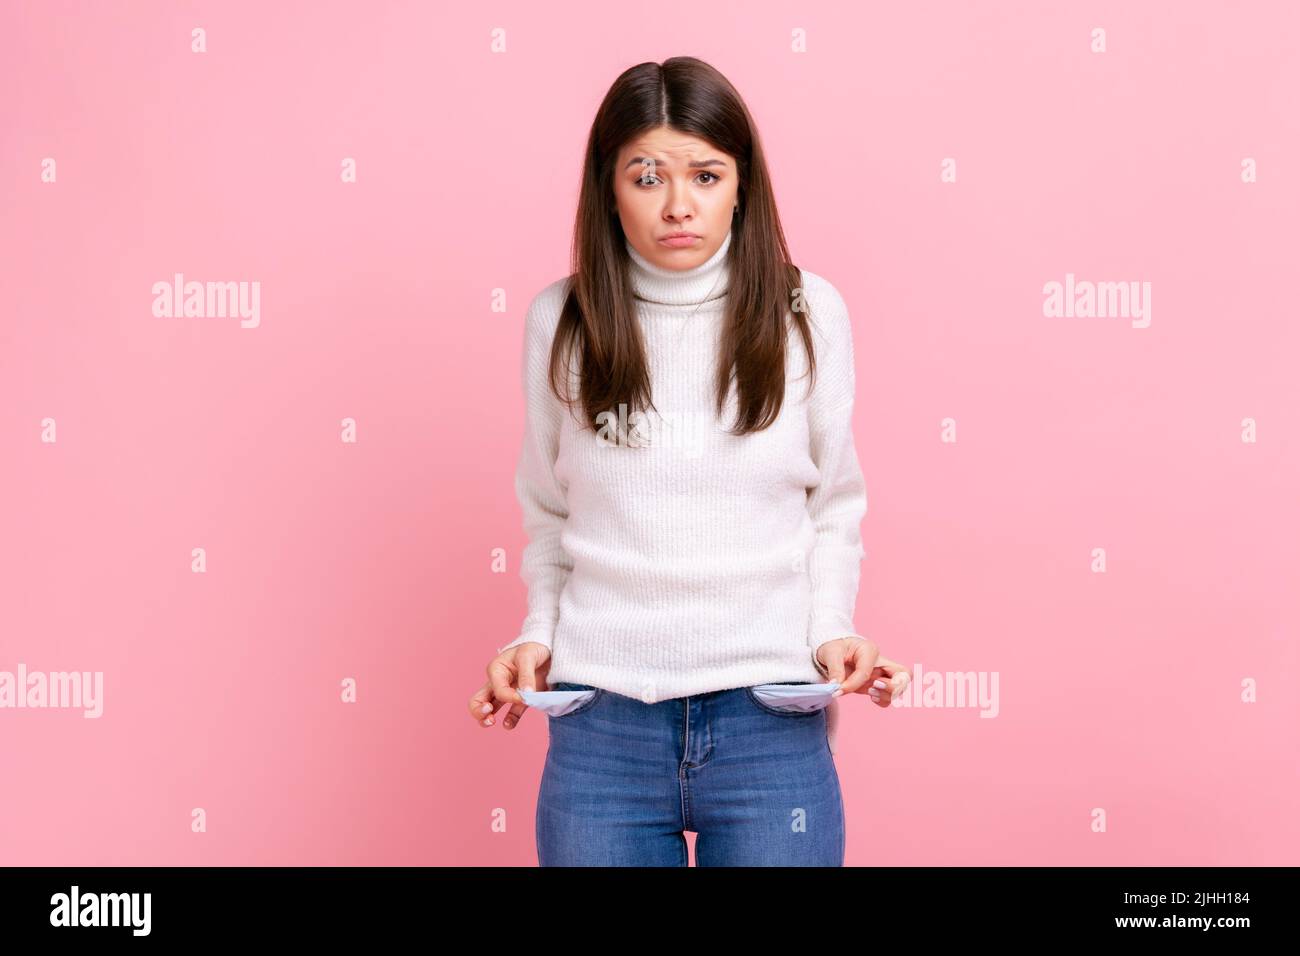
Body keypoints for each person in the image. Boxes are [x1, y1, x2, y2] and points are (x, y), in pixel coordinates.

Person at [467, 56, 910, 866]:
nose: (678, 205)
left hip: (768, 723)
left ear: (742, 184)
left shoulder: (805, 311)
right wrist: (537, 635)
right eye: (646, 176)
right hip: (600, 726)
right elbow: (550, 511)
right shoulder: (560, 320)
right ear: (608, 188)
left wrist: (830, 632)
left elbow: (833, 506)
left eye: (706, 175)